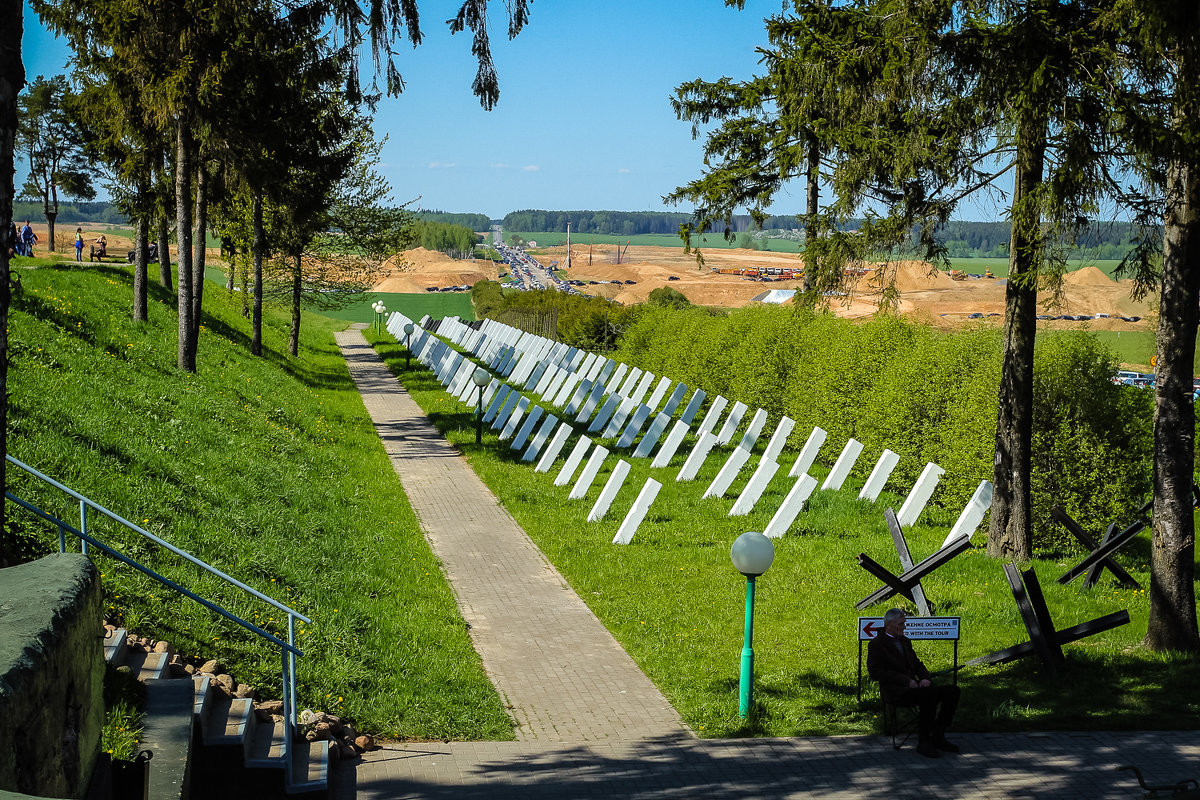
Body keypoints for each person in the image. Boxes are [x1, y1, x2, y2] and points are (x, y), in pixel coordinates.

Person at [867, 607, 960, 758]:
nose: (904, 627)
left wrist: (925, 678)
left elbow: (917, 664)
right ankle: (924, 741)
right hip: (896, 691)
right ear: (889, 624)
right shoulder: (877, 644)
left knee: (953, 691)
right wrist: (906, 681)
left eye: (904, 623)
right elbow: (876, 672)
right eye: (901, 624)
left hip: (915, 688)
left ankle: (938, 734)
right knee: (928, 696)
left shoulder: (904, 641)